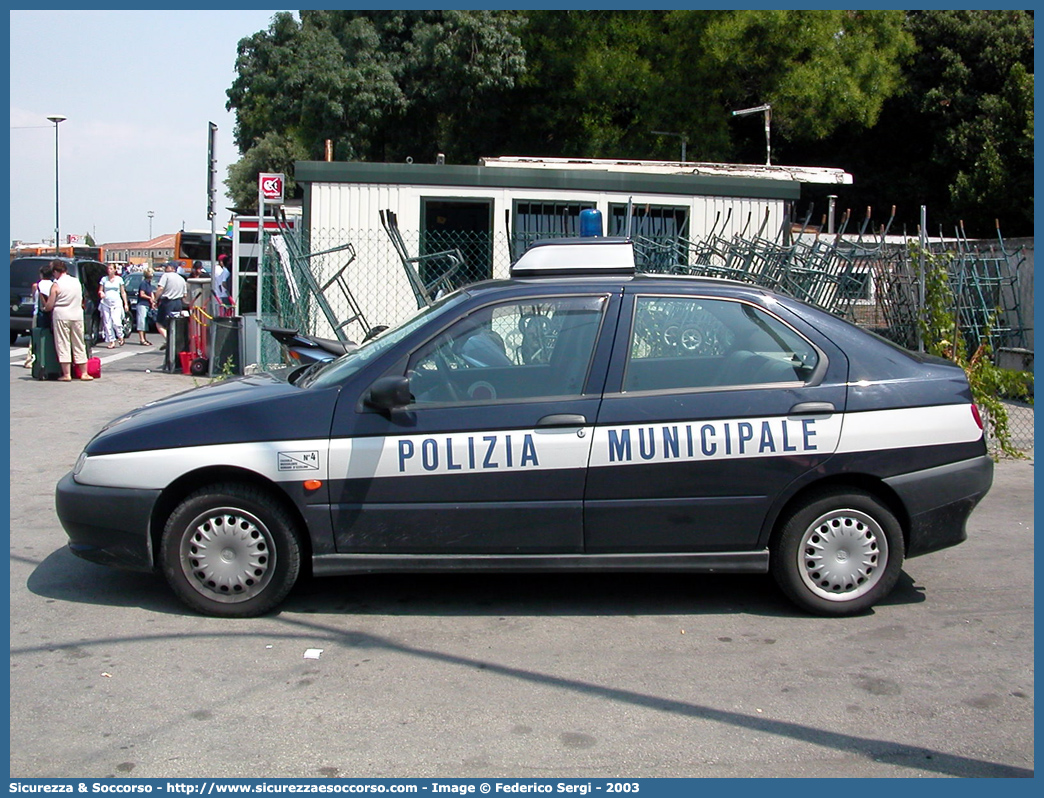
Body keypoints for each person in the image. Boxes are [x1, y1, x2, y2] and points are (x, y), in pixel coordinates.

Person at [43, 260, 93, 381]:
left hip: (61, 315)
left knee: (63, 343)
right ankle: (84, 373)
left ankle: (67, 374)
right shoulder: (76, 281)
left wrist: (45, 308)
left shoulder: (56, 284)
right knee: (79, 343)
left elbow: (50, 304)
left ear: (56, 271)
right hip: (77, 315)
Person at [23, 263, 55, 368]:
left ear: (41, 274)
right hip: (50, 314)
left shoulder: (36, 286)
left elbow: (34, 298)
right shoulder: (53, 285)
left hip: (38, 313)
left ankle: (30, 359)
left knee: (35, 337)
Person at [154, 262, 187, 350]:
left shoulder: (166, 276)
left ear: (172, 268)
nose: (165, 268)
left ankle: (168, 340)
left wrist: (155, 299)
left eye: (167, 267)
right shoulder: (181, 279)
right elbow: (185, 295)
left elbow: (160, 288)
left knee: (159, 323)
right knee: (174, 323)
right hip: (178, 303)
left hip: (168, 302)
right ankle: (173, 340)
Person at [98, 263, 129, 348]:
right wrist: (101, 293)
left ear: (115, 270)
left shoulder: (119, 279)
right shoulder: (104, 279)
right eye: (108, 269)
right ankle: (111, 341)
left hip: (116, 303)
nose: (109, 270)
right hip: (106, 303)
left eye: (111, 269)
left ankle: (120, 335)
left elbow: (123, 292)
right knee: (107, 323)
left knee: (116, 322)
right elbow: (100, 290)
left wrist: (125, 303)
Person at [135, 267, 156, 346]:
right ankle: (142, 339)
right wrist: (150, 298)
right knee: (141, 321)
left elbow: (151, 293)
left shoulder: (149, 283)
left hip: (147, 305)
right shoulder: (143, 283)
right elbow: (142, 294)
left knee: (145, 322)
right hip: (142, 304)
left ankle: (144, 338)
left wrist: (153, 302)